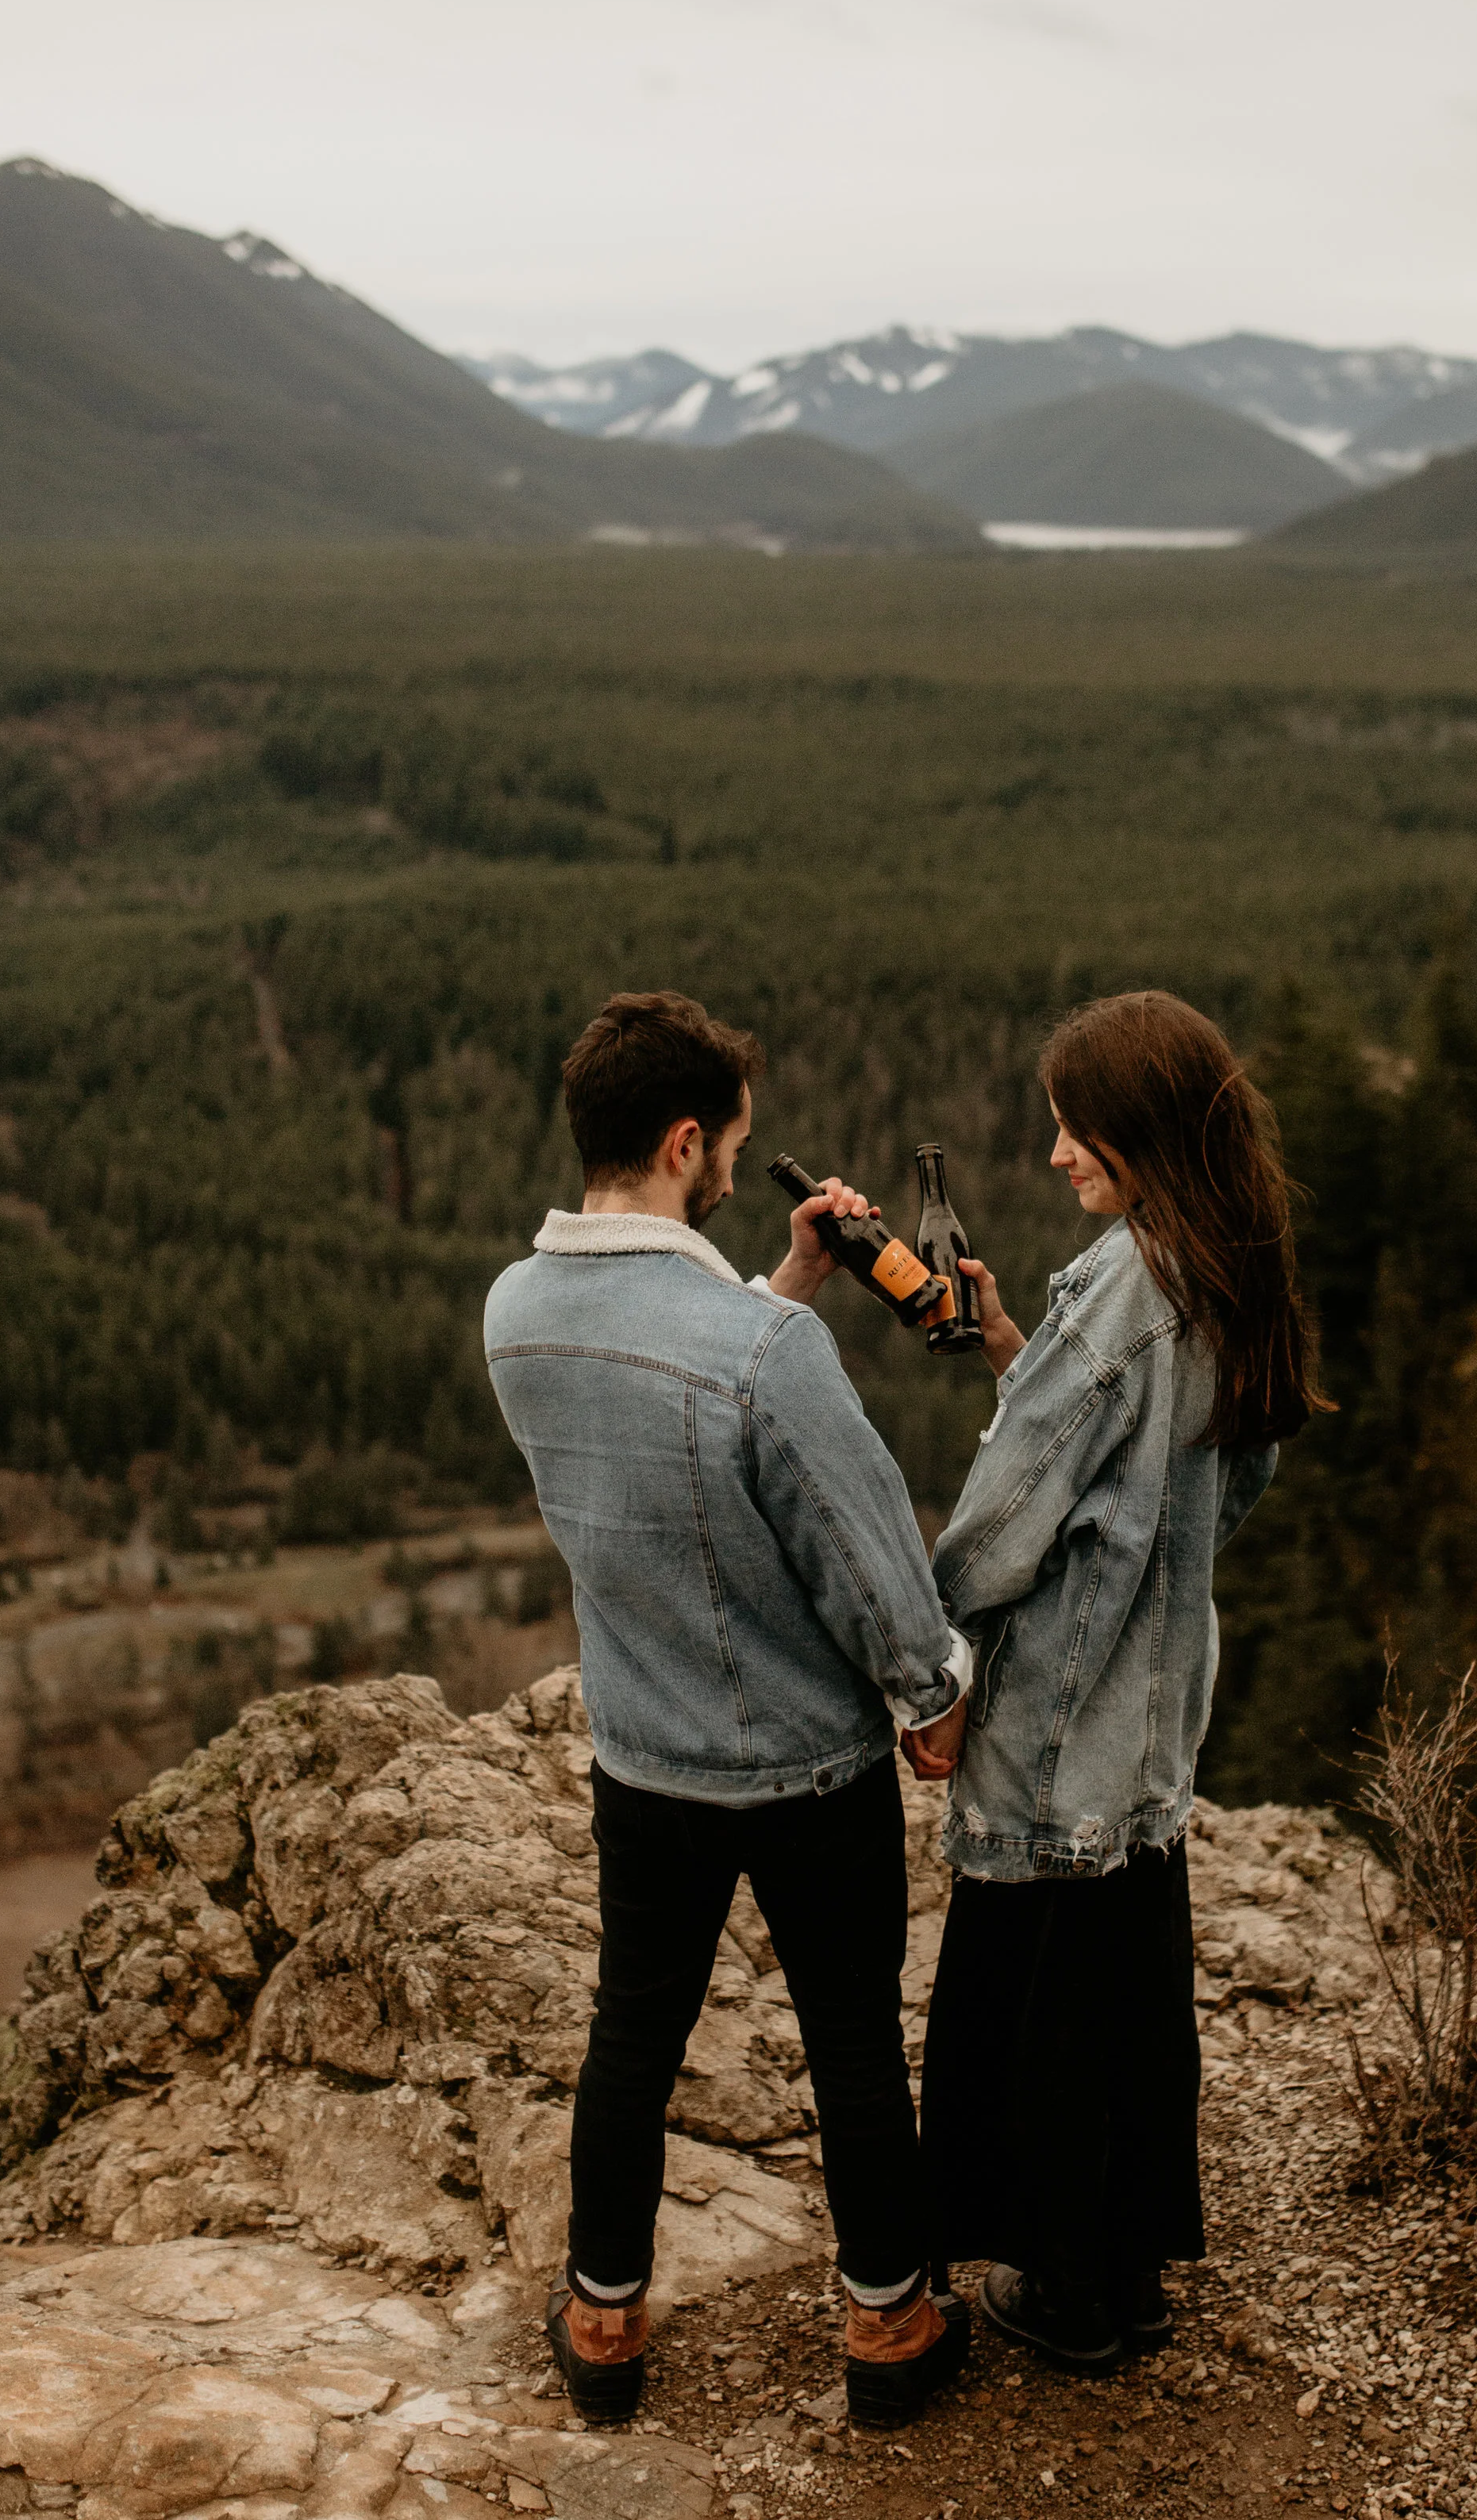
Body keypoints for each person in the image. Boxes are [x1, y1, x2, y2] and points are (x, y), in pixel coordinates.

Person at [486, 991, 972, 2431]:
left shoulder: (515, 1314)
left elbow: (667, 1401)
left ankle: (603, 2319)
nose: (733, 1166)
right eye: (733, 1148)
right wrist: (932, 1691)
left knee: (631, 2037)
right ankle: (887, 2323)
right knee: (850, 2042)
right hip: (808, 1767)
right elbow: (864, 1550)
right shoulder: (767, 1355)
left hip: (644, 1756)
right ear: (686, 1140)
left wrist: (788, 1278)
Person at [911, 989, 1321, 2373]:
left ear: (1137, 1129)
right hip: (1153, 1721)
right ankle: (1129, 2275)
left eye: (1074, 1129)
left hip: (1056, 1719)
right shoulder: (1222, 1266)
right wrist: (1009, 1346)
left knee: (1033, 2007)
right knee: (1124, 2004)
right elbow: (1224, 1473)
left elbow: (1008, 1512)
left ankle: (1068, 2293)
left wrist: (928, 1654)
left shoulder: (1120, 1287)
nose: (1055, 1155)